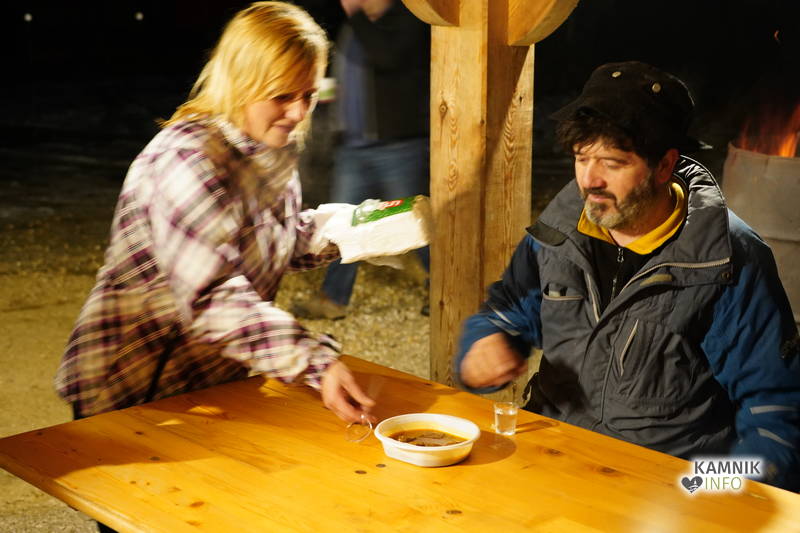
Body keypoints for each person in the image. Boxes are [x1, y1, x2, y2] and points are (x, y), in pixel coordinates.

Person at [453, 61, 800, 491]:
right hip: (552, 458)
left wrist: (716, 489)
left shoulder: (728, 260)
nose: (590, 180)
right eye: (581, 158)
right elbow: (506, 311)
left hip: (663, 486)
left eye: (613, 163)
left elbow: (775, 411)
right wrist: (485, 343)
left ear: (664, 165)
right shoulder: (559, 233)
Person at [55, 2, 374, 425]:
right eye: (282, 96)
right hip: (135, 382)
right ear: (241, 82)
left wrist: (358, 230)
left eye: (309, 95)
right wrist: (314, 360)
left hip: (210, 377)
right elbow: (211, 297)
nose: (299, 113)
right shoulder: (188, 161)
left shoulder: (267, 149)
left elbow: (276, 238)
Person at [292, 0, 431, 320]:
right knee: (344, 226)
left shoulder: (406, 20)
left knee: (419, 222)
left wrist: (355, 15)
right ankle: (333, 299)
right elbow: (345, 77)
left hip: (397, 147)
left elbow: (387, 57)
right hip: (353, 148)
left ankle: (444, 288)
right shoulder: (355, 28)